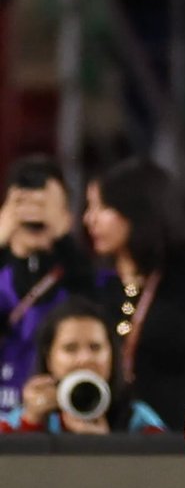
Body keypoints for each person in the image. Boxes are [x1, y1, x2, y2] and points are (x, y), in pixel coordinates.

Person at [82, 158, 185, 429]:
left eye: (101, 207)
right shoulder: (97, 287)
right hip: (110, 439)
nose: (89, 219)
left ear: (136, 210)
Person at [0, 155, 101, 412]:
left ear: (67, 215)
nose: (33, 214)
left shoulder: (83, 278)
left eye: (44, 204)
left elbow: (93, 310)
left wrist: (63, 237)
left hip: (60, 419)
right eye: (22, 203)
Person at [0, 296, 165, 433]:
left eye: (95, 347)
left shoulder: (139, 421)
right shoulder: (20, 420)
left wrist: (107, 447)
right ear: (49, 359)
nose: (85, 359)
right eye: (70, 349)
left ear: (112, 355)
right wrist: (31, 424)